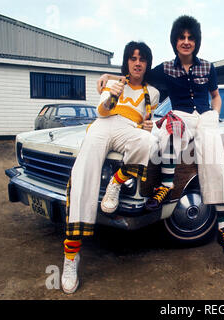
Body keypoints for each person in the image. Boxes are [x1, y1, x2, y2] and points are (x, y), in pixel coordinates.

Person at [97, 16, 224, 258]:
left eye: (190, 38)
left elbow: (216, 95)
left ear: (196, 41)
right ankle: (166, 185)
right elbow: (136, 74)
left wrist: (215, 113)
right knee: (170, 129)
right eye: (181, 37)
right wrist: (108, 78)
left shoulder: (208, 66)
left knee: (216, 162)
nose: (185, 41)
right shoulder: (165, 68)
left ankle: (223, 230)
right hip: (182, 114)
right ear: (174, 41)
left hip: (206, 117)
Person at [61, 41, 160, 294]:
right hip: (103, 125)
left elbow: (147, 121)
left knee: (149, 141)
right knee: (83, 176)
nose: (137, 63)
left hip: (129, 129)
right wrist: (112, 94)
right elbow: (102, 112)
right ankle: (71, 256)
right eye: (133, 58)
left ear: (147, 64)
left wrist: (148, 127)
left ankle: (116, 182)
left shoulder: (154, 93)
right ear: (127, 61)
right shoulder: (114, 84)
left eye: (142, 59)